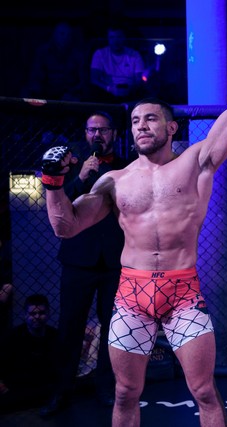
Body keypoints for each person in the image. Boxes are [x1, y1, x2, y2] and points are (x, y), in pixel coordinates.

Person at [41, 17, 227, 427]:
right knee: (126, 392)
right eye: (135, 121)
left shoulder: (196, 161)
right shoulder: (115, 180)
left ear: (171, 126)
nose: (141, 126)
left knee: (204, 390)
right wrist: (53, 183)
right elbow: (65, 226)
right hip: (131, 293)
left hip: (183, 292)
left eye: (151, 119)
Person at [40, 110, 129, 416]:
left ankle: (105, 387)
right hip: (78, 260)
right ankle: (62, 392)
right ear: (85, 134)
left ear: (114, 134)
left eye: (103, 130)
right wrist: (80, 178)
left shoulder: (126, 166)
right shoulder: (70, 167)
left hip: (114, 261)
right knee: (70, 327)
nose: (97, 135)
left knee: (112, 328)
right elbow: (58, 204)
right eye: (92, 130)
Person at [0, 294, 58, 414]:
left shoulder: (54, 336)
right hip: (17, 387)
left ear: (48, 314)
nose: (37, 316)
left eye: (41, 313)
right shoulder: (13, 337)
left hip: (44, 386)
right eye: (32, 313)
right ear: (25, 315)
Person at [22, 21, 89, 101]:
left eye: (68, 35)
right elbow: (36, 75)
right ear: (54, 35)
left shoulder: (77, 54)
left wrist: (72, 92)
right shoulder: (43, 52)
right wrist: (36, 91)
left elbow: (82, 79)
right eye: (61, 34)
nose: (64, 37)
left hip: (69, 94)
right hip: (46, 92)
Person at [89, 24, 146, 103]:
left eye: (119, 37)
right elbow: (94, 78)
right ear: (108, 39)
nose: (115, 41)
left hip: (130, 93)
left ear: (124, 37)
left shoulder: (134, 54)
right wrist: (109, 88)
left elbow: (140, 78)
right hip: (105, 93)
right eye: (112, 37)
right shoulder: (100, 53)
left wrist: (130, 89)